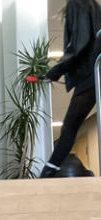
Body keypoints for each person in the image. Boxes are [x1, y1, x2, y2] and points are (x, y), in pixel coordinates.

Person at [40, 0, 101, 178]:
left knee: (69, 126)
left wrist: (55, 71)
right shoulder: (91, 4)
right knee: (71, 126)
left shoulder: (79, 2)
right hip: (94, 72)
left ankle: (46, 174)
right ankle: (47, 172)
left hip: (91, 75)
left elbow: (79, 43)